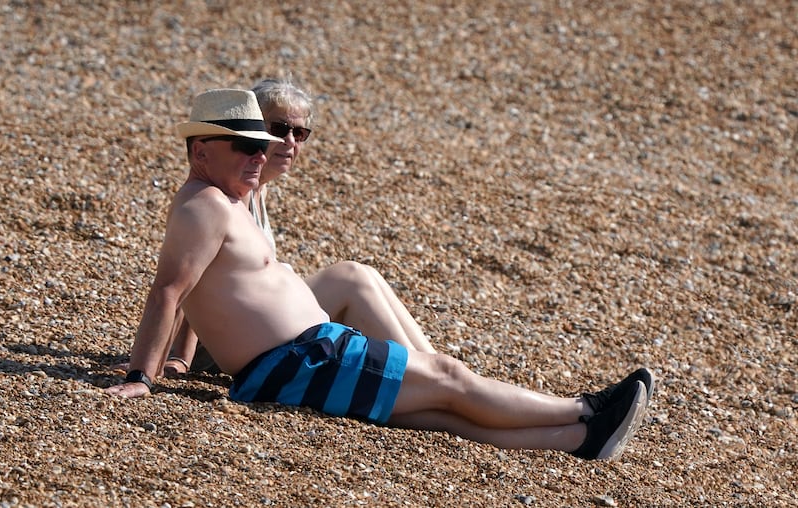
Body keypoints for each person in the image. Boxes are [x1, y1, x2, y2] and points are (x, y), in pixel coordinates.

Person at [105, 88, 654, 461]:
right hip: (304, 358)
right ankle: (586, 408)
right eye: (247, 146)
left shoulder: (228, 197)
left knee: (440, 413)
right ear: (201, 150)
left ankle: (577, 438)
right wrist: (142, 377)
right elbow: (171, 289)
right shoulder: (205, 205)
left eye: (263, 146)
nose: (261, 155)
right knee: (449, 380)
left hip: (303, 359)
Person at [160, 77, 434, 376]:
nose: (290, 142)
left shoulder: (255, 189)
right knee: (352, 279)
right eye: (279, 129)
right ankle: (430, 376)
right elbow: (190, 280)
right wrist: (179, 358)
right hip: (229, 342)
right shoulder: (223, 195)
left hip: (258, 324)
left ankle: (437, 366)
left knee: (363, 275)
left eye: (300, 133)